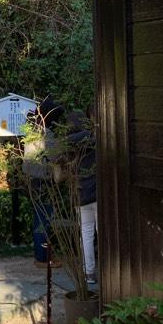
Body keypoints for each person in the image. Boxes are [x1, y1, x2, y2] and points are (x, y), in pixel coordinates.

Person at [22, 95, 65, 264]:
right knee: (44, 220)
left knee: (38, 218)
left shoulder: (31, 134)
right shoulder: (48, 135)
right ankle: (43, 257)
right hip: (43, 183)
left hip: (32, 183)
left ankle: (40, 254)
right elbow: (58, 158)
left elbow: (26, 165)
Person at [65, 108, 97, 285]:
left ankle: (88, 273)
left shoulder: (67, 144)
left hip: (79, 194)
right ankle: (107, 272)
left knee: (85, 234)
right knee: (102, 232)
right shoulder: (93, 139)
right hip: (96, 193)